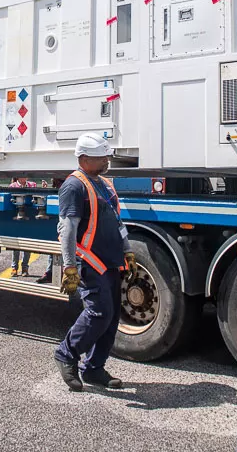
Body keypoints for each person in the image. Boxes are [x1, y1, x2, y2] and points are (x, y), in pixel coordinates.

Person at [53, 133, 137, 391]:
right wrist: (69, 267)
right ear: (84, 158)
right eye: (102, 157)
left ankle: (94, 368)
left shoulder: (106, 185)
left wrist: (128, 250)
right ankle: (66, 354)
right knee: (99, 313)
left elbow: (117, 221)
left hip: (110, 260)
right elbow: (68, 229)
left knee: (111, 318)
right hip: (89, 262)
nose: (107, 161)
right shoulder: (73, 186)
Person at [9, 177, 37, 276]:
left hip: (29, 218)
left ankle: (25, 268)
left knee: (27, 246)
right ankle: (14, 268)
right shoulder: (12, 186)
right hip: (17, 219)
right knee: (16, 246)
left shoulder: (32, 185)